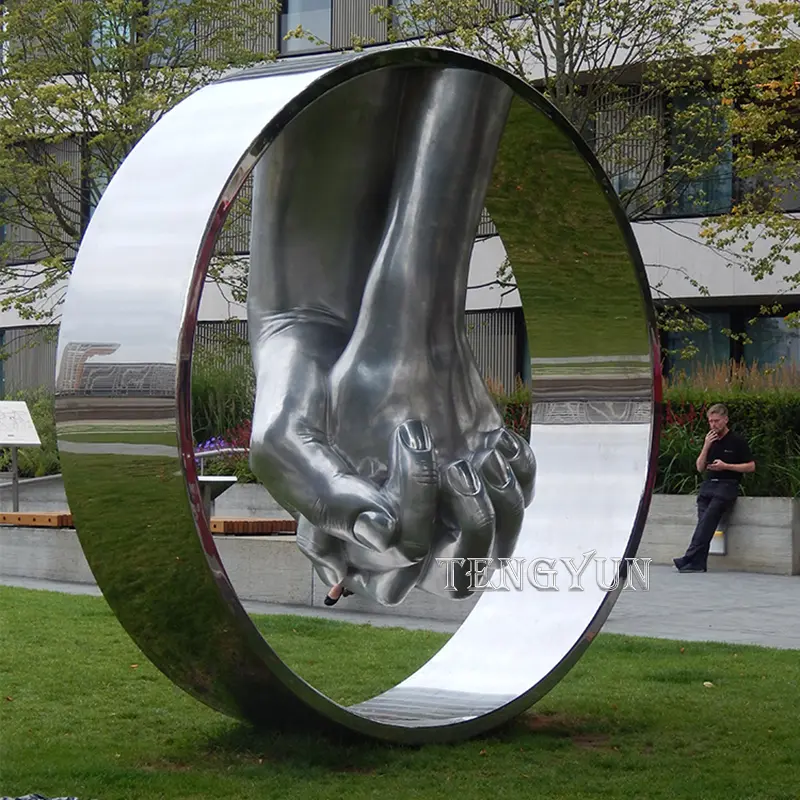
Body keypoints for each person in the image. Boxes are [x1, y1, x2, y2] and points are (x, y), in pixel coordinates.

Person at [673, 403, 755, 573]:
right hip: (708, 485)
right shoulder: (710, 440)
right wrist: (706, 445)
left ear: (725, 420)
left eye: (716, 421)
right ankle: (698, 564)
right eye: (710, 421)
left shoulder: (737, 441)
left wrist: (726, 466)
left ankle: (689, 558)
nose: (713, 425)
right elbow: (699, 467)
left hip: (727, 485)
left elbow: (751, 466)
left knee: (707, 521)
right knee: (704, 524)